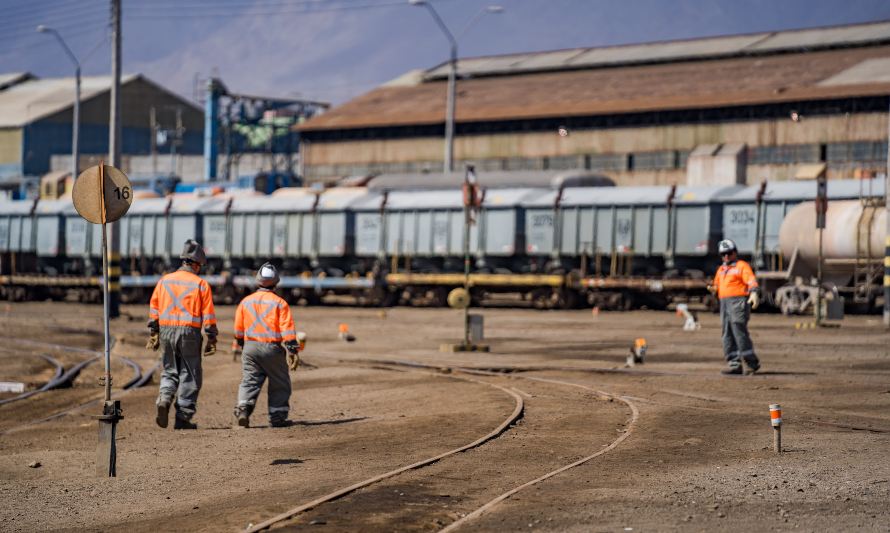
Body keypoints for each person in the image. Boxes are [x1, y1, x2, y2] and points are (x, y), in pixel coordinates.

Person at [146, 239, 217, 429]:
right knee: (190, 373)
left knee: (169, 370)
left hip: (166, 331)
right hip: (189, 333)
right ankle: (183, 417)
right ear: (195, 264)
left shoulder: (164, 281)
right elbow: (208, 315)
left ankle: (164, 399)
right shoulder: (201, 284)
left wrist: (154, 331)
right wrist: (211, 337)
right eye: (200, 266)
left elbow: (154, 307)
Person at [232, 262, 301, 428]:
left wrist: (242, 343)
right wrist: (292, 350)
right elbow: (286, 329)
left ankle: (243, 409)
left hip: (250, 347)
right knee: (279, 381)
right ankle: (277, 417)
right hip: (272, 348)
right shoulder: (279, 303)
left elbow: (238, 328)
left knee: (250, 380)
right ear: (276, 282)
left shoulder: (246, 302)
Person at [710, 239, 761, 375]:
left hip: (738, 302)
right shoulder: (721, 269)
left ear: (735, 252)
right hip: (724, 303)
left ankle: (751, 363)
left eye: (729, 253)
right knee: (727, 333)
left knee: (739, 330)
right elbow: (717, 285)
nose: (726, 256)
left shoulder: (741, 266)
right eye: (723, 254)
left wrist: (754, 293)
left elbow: (751, 280)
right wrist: (714, 289)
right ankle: (734, 364)